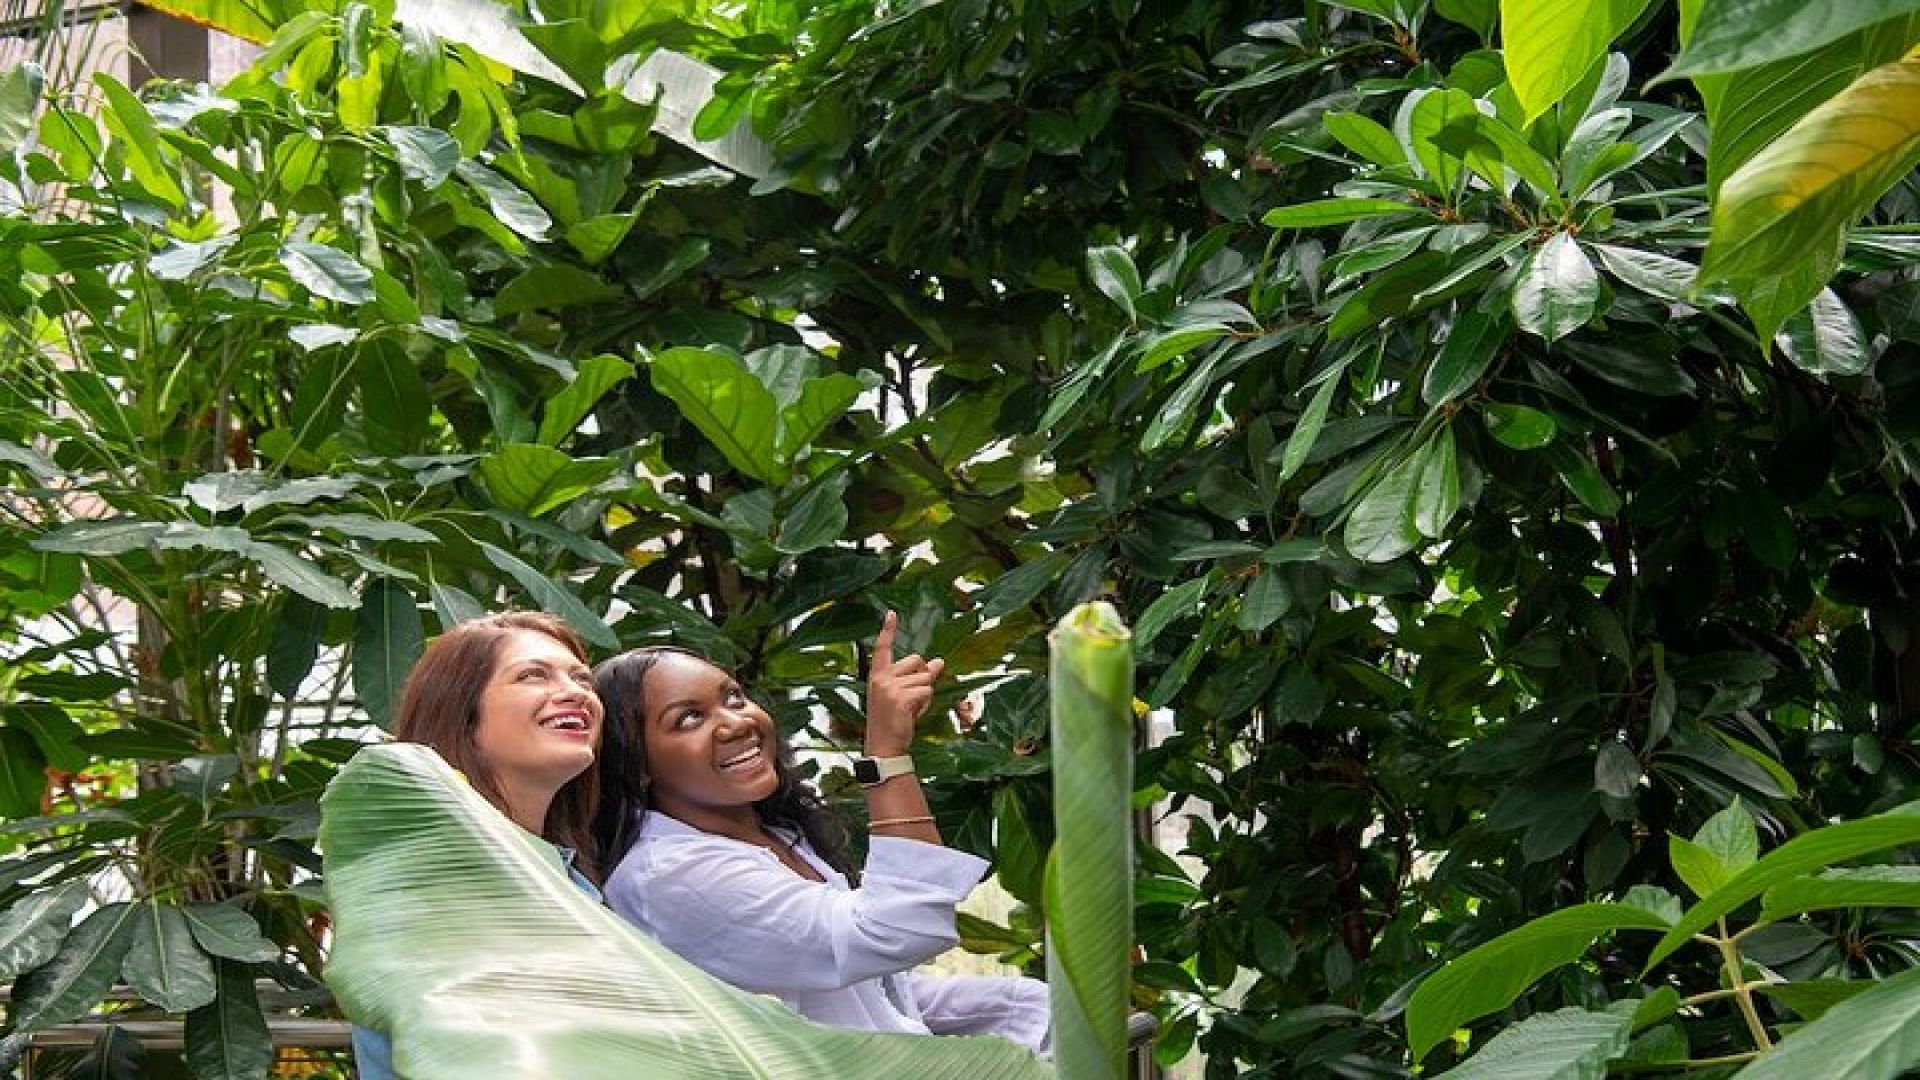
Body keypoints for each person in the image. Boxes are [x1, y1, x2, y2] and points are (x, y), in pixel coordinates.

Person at [591, 611, 1051, 1055]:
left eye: (732, 697)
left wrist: (1024, 1008)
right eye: (688, 718)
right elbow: (898, 932)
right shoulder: (673, 875)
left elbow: (864, 991)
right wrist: (885, 756)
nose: (735, 722)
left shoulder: (769, 831)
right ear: (638, 766)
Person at [346, 611, 606, 1080]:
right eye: (533, 675)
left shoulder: (563, 876)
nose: (576, 692)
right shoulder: (436, 889)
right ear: (461, 716)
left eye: (582, 678)